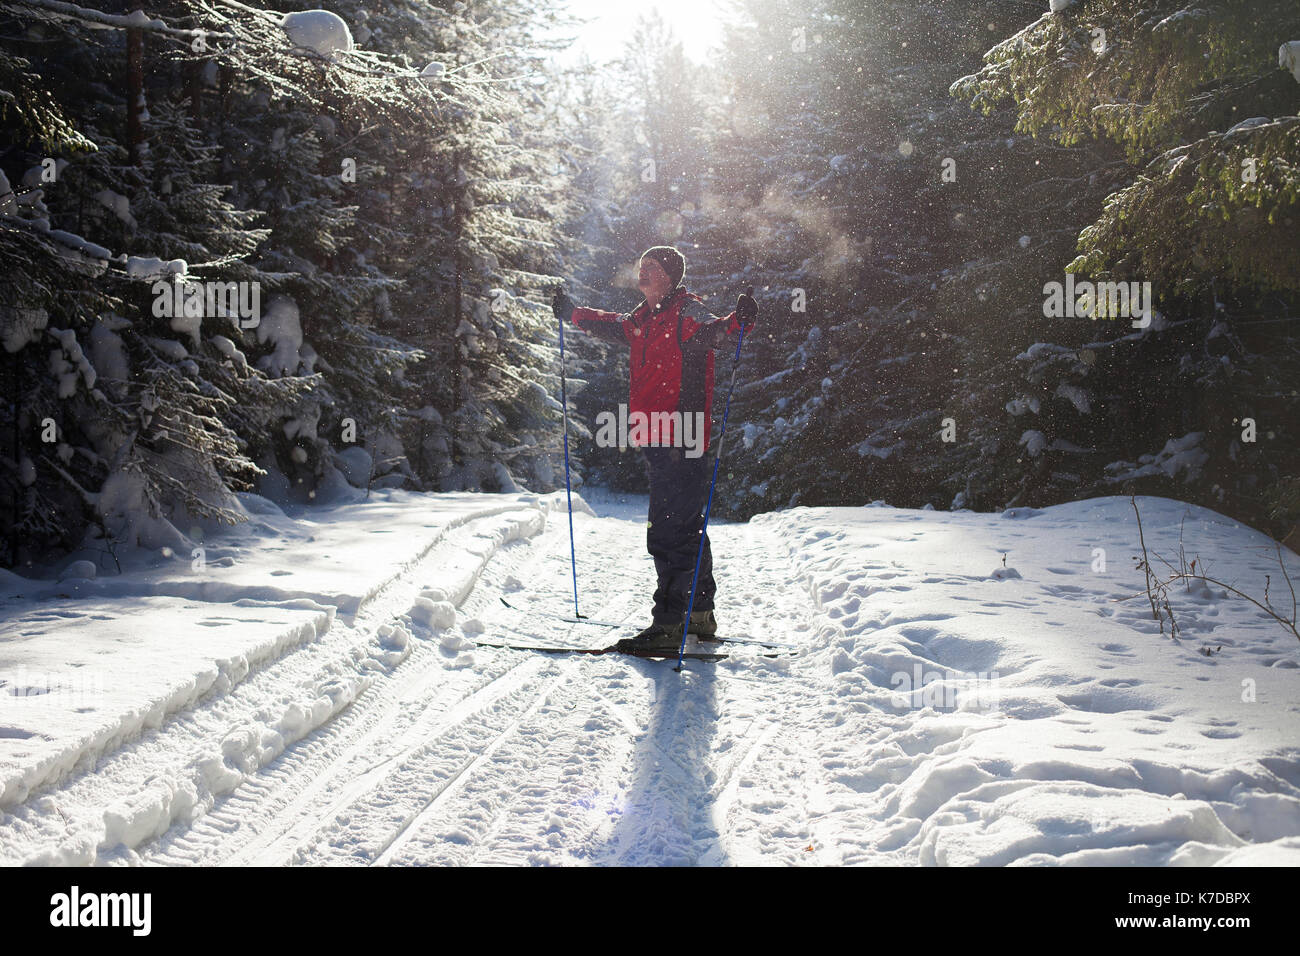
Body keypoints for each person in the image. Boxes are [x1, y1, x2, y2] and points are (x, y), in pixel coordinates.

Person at [552, 245, 757, 653]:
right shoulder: (642, 321)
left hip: (681, 434)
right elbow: (610, 324)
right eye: (640, 264)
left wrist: (740, 322)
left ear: (670, 276)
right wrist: (571, 313)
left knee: (667, 530)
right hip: (656, 435)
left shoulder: (684, 314)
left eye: (652, 267)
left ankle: (668, 624)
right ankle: (699, 616)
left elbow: (718, 331)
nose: (642, 271)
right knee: (686, 525)